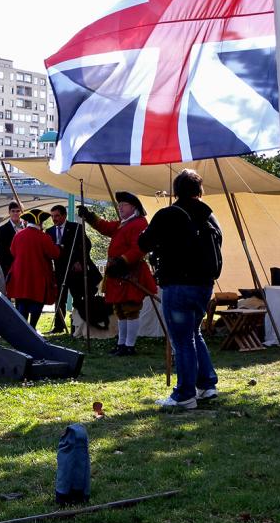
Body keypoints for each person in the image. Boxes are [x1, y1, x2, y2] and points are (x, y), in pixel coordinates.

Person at [138, 169, 222, 410]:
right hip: (204, 285)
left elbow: (144, 243)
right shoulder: (209, 216)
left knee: (182, 340)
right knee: (194, 333)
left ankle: (185, 394)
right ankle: (206, 384)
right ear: (199, 190)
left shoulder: (169, 214)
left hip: (179, 284)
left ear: (176, 191)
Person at [77, 192, 157, 355]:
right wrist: (90, 217)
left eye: (123, 205)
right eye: (119, 205)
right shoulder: (124, 223)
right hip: (117, 272)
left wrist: (122, 260)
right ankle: (121, 343)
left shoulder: (139, 223)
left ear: (133, 207)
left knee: (130, 309)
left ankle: (130, 345)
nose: (120, 207)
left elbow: (139, 248)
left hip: (130, 272)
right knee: (120, 310)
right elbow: (106, 227)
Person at [45, 204, 100, 333]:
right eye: (52, 216)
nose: (54, 219)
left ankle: (76, 325)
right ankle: (59, 326)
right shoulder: (49, 232)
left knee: (77, 298)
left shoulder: (76, 228)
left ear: (64, 215)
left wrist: (80, 261)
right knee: (60, 299)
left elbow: (87, 245)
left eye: (57, 216)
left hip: (75, 271)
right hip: (59, 271)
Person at [7, 209, 60, 328]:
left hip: (20, 275)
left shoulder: (18, 235)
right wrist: (58, 246)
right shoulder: (44, 237)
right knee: (37, 301)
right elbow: (55, 254)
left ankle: (23, 329)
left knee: (22, 302)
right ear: (40, 223)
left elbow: (13, 251)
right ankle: (32, 327)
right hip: (38, 275)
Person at [0, 200, 24, 279]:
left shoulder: (28, 227)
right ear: (9, 212)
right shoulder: (1, 230)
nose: (15, 213)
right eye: (13, 211)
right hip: (10, 270)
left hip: (27, 269)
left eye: (18, 211)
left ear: (22, 212)